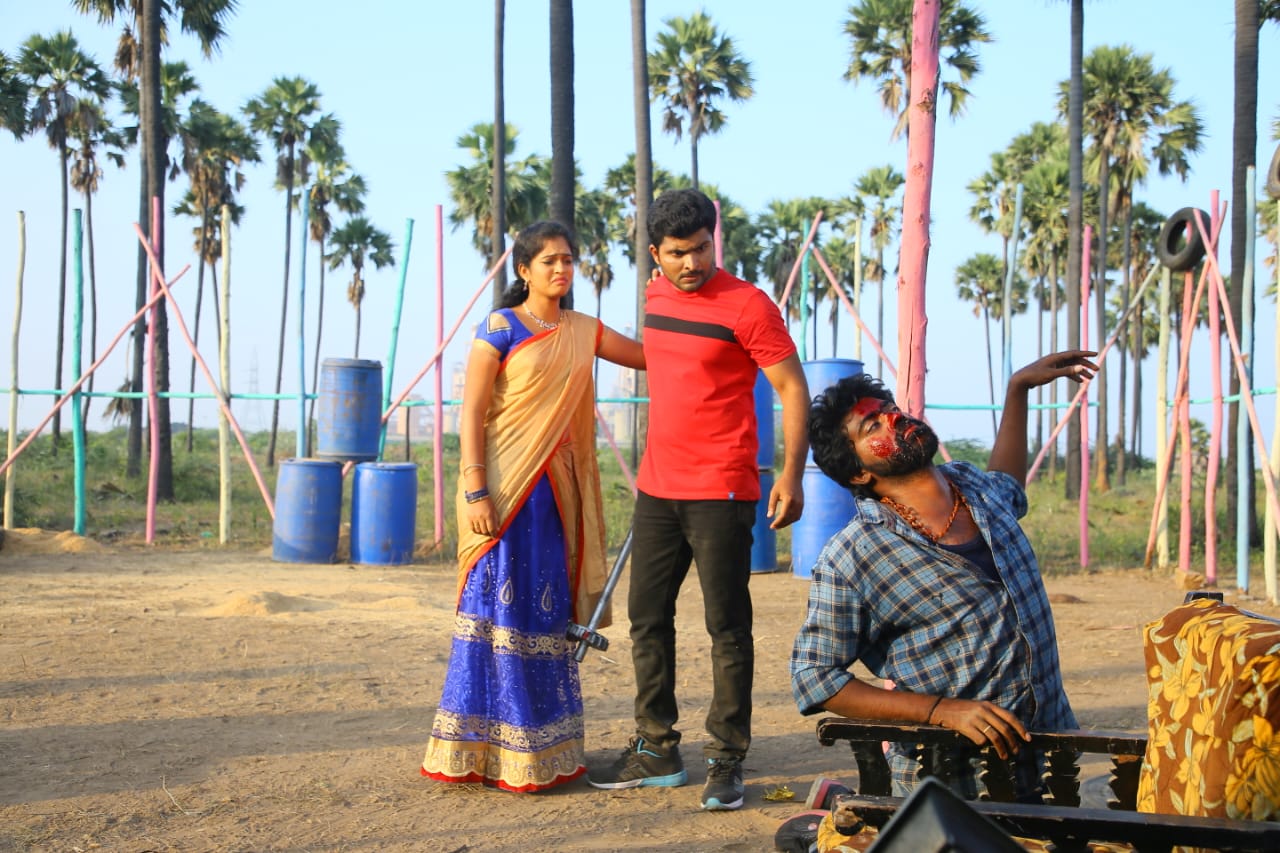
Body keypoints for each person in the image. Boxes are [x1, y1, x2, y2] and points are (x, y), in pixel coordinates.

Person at [790, 350, 1099, 802]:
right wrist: (942, 711)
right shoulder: (854, 555)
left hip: (1051, 760)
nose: (893, 420)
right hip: (950, 781)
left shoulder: (975, 488)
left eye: (890, 409)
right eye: (872, 427)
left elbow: (1009, 484)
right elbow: (814, 677)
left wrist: (1017, 390)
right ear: (858, 471)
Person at [588, 188, 810, 811]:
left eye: (702, 248)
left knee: (727, 627)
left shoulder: (749, 306)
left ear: (715, 240)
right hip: (657, 490)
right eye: (678, 253)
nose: (693, 263)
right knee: (646, 619)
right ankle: (657, 748)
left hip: (723, 489)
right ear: (655, 254)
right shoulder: (656, 296)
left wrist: (791, 475)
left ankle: (727, 758)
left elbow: (793, 389)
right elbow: (662, 356)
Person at [421, 221, 644, 792]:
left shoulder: (584, 330)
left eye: (568, 260)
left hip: (555, 495)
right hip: (501, 490)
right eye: (549, 261)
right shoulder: (500, 327)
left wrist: (685, 316)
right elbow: (472, 413)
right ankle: (480, 749)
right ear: (524, 270)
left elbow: (650, 359)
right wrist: (475, 490)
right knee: (494, 611)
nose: (562, 269)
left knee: (543, 613)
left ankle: (540, 747)